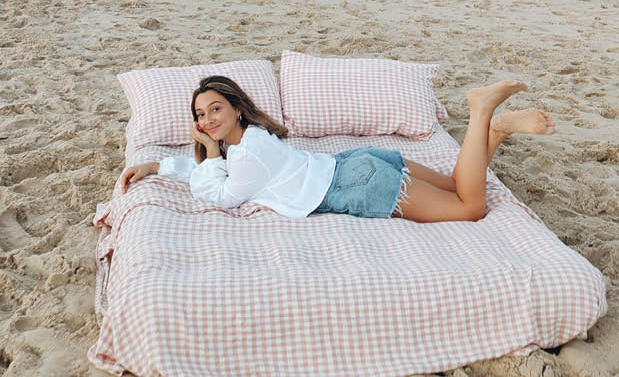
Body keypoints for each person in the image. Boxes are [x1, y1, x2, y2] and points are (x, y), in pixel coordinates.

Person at [121, 75, 555, 222]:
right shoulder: (249, 142)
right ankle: (494, 132)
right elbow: (222, 170)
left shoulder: (247, 154)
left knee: (469, 208)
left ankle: (480, 112)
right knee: (461, 184)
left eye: (215, 109)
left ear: (236, 110)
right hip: (356, 163)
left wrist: (208, 154)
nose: (207, 121)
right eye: (200, 115)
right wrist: (160, 165)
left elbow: (221, 195)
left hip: (359, 184)